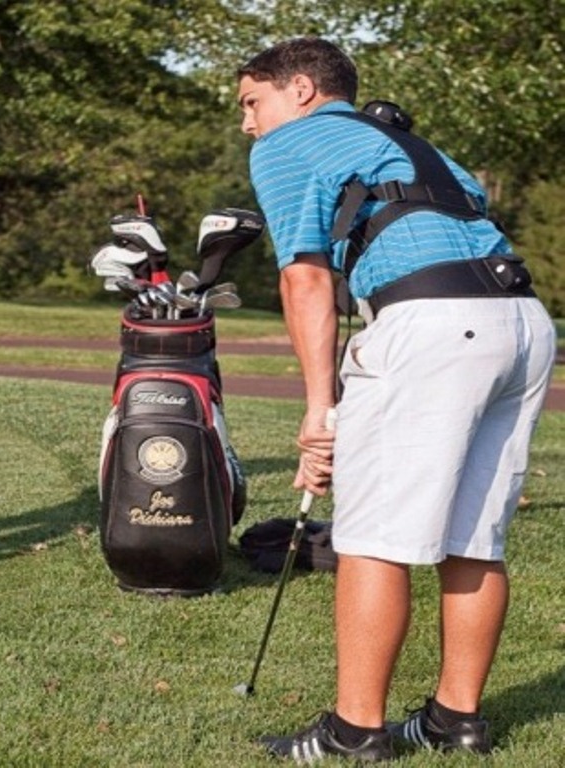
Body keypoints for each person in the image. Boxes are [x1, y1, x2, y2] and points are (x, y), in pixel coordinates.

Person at [236, 37, 556, 762]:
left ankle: (355, 732)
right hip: (524, 322)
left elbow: (306, 280)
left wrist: (321, 409)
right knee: (473, 537)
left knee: (370, 539)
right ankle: (455, 719)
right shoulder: (410, 142)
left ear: (301, 90)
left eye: (253, 103)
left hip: (432, 324)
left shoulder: (288, 145)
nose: (248, 123)